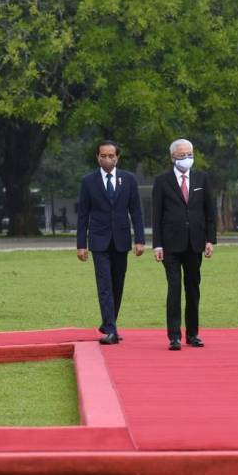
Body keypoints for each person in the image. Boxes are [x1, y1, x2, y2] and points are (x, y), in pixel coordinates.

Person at [76, 140, 145, 345]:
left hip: (121, 240)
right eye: (103, 156)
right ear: (97, 157)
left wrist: (140, 240)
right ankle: (112, 330)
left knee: (117, 284)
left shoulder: (129, 180)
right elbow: (83, 215)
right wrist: (81, 244)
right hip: (98, 241)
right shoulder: (88, 181)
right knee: (104, 284)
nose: (107, 159)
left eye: (111, 156)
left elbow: (136, 211)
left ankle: (109, 324)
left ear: (117, 157)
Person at [152, 138, 217, 351]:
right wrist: (157, 244)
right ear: (172, 157)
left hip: (195, 242)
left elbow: (210, 212)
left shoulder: (202, 178)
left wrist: (210, 240)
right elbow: (156, 215)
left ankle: (193, 334)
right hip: (170, 244)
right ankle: (174, 336)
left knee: (193, 288)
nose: (186, 158)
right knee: (174, 287)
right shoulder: (162, 181)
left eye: (189, 154)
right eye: (182, 155)